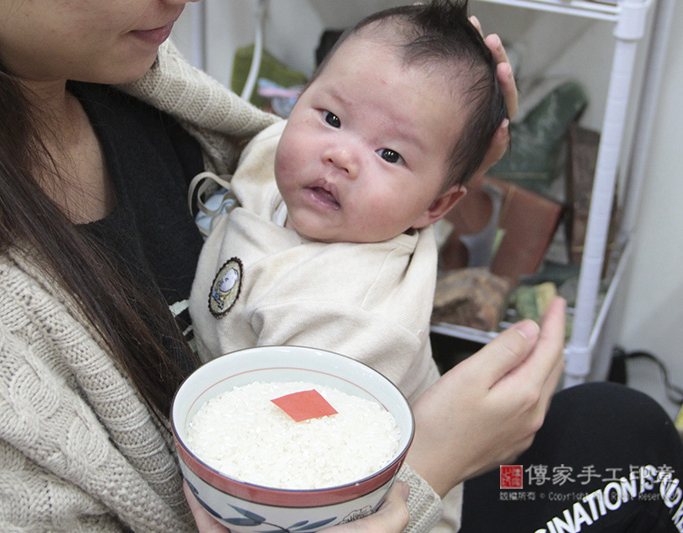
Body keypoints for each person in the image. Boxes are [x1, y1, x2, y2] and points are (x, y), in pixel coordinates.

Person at [0, 0, 683, 532]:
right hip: (366, 499)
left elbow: (279, 158)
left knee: (622, 431)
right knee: (624, 441)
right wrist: (428, 461)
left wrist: (433, 165)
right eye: (326, 114)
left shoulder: (111, 65)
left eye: (388, 152)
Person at [188, 0, 506, 410]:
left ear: (436, 205)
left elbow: (287, 437)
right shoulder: (274, 152)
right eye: (332, 118)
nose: (340, 156)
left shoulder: (356, 321)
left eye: (389, 154)